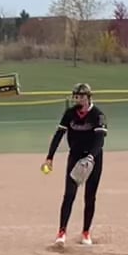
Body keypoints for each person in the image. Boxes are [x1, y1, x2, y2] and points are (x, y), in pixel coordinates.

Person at [44, 83, 107, 246]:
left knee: (90, 196)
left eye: (80, 96)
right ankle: (62, 232)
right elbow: (59, 134)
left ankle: (86, 232)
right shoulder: (70, 113)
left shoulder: (98, 115)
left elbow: (100, 140)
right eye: (75, 96)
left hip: (93, 159)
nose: (77, 99)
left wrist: (91, 157)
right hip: (75, 157)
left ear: (88, 97)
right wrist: (50, 157)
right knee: (69, 195)